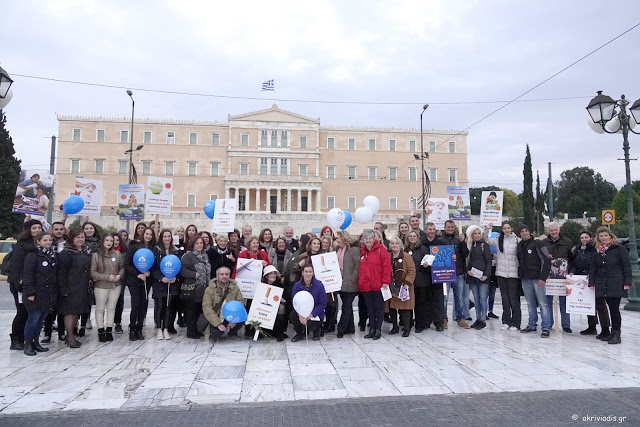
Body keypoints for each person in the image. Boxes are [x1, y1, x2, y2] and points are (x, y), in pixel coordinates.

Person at [589, 227, 631, 344]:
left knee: (614, 309)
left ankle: (616, 333)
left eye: (605, 235)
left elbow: (626, 266)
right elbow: (593, 268)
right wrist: (591, 282)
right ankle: (610, 333)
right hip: (602, 283)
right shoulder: (598, 251)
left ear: (610, 236)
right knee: (604, 308)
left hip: (615, 282)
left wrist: (627, 282)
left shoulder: (619, 249)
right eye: (601, 236)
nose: (604, 238)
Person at [7, 219, 42, 351]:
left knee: (31, 313)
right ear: (28, 230)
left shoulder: (40, 243)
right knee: (22, 312)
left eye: (39, 227)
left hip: (34, 284)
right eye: (34, 228)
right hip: (21, 285)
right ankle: (16, 339)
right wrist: (20, 286)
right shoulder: (21, 245)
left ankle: (27, 338)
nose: (37, 230)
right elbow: (17, 268)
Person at [22, 232, 56, 355]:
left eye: (49, 240)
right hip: (35, 293)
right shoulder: (33, 255)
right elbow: (28, 275)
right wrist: (30, 292)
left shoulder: (51, 255)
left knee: (40, 320)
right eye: (45, 240)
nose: (48, 242)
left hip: (47, 294)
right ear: (38, 241)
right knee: (33, 319)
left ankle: (36, 342)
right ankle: (28, 344)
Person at [57, 229, 92, 348]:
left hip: (82, 287)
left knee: (76, 312)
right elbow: (61, 273)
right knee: (70, 312)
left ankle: (72, 335)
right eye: (77, 237)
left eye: (82, 237)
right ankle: (70, 337)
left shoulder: (85, 251)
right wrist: (64, 289)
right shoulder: (66, 253)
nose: (80, 240)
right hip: (70, 288)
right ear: (72, 239)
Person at [484, 223, 521, 331]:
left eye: (508, 228)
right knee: (505, 299)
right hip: (501, 273)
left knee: (514, 299)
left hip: (514, 274)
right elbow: (485, 239)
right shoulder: (498, 239)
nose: (506, 230)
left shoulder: (517, 240)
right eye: (504, 228)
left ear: (512, 229)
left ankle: (516, 322)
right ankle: (506, 321)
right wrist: (487, 229)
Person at [572, 231, 609, 336]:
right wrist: (573, 272)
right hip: (582, 278)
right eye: (582, 237)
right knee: (587, 304)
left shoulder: (595, 249)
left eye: (586, 237)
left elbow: (597, 264)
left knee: (600, 304)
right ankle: (592, 326)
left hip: (595, 278)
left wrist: (592, 274)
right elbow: (574, 263)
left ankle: (605, 328)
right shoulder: (577, 249)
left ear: (591, 238)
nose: (584, 239)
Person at [517, 225, 552, 338]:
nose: (524, 233)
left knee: (543, 304)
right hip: (525, 278)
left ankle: (546, 327)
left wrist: (543, 277)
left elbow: (546, 260)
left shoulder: (538, 244)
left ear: (530, 232)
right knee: (530, 303)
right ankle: (532, 325)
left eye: (526, 230)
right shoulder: (520, 245)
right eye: (522, 231)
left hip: (537, 278)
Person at [358, 229, 392, 340]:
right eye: (366, 238)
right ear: (363, 240)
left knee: (379, 308)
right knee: (370, 309)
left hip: (378, 285)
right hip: (366, 285)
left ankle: (378, 329)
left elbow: (386, 267)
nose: (368, 240)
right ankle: (372, 328)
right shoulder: (362, 251)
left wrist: (385, 282)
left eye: (370, 238)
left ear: (374, 239)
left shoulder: (381, 250)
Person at [90, 233, 124, 343]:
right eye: (107, 240)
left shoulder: (117, 254)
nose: (109, 243)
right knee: (100, 308)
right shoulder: (96, 255)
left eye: (111, 241)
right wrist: (107, 277)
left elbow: (122, 267)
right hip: (101, 286)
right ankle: (100, 330)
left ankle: (109, 329)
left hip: (115, 285)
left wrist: (119, 275)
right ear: (102, 241)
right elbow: (93, 273)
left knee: (111, 308)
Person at [124, 227, 156, 341]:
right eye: (146, 234)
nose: (148, 236)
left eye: (150, 235)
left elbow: (154, 265)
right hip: (134, 281)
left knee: (144, 305)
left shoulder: (153, 248)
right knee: (135, 304)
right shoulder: (134, 247)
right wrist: (138, 273)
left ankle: (139, 328)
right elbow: (127, 264)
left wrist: (149, 272)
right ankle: (132, 328)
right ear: (143, 234)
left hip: (147, 281)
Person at [542, 222, 574, 333]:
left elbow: (572, 258)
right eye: (551, 231)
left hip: (563, 276)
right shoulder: (544, 243)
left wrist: (571, 271)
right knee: (548, 301)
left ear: (559, 230)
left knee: (564, 300)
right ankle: (549, 323)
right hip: (548, 276)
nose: (554, 232)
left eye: (555, 230)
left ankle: (566, 324)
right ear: (548, 231)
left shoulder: (567, 242)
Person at [234, 236, 270, 335]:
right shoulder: (242, 254)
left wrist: (266, 264)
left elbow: (269, 268)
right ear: (249, 244)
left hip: (259, 285)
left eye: (257, 243)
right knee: (247, 307)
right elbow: (237, 269)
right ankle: (248, 330)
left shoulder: (263, 254)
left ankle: (256, 330)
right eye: (253, 243)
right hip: (246, 287)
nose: (255, 245)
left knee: (256, 307)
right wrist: (234, 281)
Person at [202, 266, 246, 342]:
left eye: (226, 274)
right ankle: (214, 332)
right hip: (217, 316)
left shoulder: (235, 288)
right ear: (217, 276)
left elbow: (241, 302)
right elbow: (207, 308)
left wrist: (233, 318)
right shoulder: (209, 290)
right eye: (222, 274)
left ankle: (232, 333)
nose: (224, 276)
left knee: (243, 318)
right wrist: (218, 324)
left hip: (230, 316)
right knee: (216, 335)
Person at [180, 236, 211, 339]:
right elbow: (181, 269)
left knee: (198, 311)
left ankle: (196, 330)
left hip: (203, 289)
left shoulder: (205, 255)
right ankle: (191, 332)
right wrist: (193, 274)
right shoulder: (188, 256)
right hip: (192, 289)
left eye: (201, 243)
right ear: (193, 245)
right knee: (191, 311)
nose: (199, 245)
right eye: (197, 243)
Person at [441, 220, 470, 329]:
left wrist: (463, 243)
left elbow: (466, 254)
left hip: (458, 273)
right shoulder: (440, 240)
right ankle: (444, 319)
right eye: (448, 227)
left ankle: (460, 318)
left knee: (459, 298)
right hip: (444, 274)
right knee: (444, 298)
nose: (450, 229)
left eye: (452, 227)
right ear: (445, 227)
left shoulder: (459, 240)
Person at [152, 229, 181, 340]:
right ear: (161, 238)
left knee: (169, 307)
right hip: (160, 283)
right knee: (160, 306)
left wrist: (176, 277)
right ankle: (159, 329)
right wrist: (161, 278)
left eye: (169, 236)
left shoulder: (176, 251)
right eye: (165, 236)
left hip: (172, 283)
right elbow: (153, 268)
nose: (167, 239)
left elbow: (179, 267)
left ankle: (166, 329)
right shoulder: (156, 250)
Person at [465, 225, 493, 330]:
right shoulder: (469, 246)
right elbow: (467, 261)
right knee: (476, 298)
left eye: (478, 233)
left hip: (483, 277)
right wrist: (467, 271)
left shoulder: (484, 246)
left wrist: (486, 275)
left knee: (482, 298)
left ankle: (483, 319)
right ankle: (478, 318)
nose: (477, 235)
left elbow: (488, 261)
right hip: (472, 276)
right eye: (475, 233)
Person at [388, 236, 416, 337]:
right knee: (391, 308)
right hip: (391, 286)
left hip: (404, 286)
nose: (394, 245)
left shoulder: (406, 256)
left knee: (404, 308)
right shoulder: (388, 256)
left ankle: (407, 329)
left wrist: (407, 283)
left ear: (400, 245)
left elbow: (412, 270)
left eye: (396, 243)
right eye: (392, 243)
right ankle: (395, 327)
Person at [290, 264, 327, 342]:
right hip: (302, 311)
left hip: (315, 312)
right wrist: (299, 314)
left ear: (313, 273)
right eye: (306, 271)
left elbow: (323, 303)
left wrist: (312, 314)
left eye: (310, 272)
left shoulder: (319, 285)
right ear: (302, 273)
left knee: (312, 323)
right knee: (292, 315)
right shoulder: (297, 285)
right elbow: (294, 301)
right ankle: (300, 333)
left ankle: (316, 331)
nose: (308, 274)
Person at [421, 223, 447, 332]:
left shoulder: (441, 243)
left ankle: (438, 322)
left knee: (438, 300)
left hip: (438, 275)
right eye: (430, 229)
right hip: (424, 275)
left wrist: (452, 257)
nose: (432, 231)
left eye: (433, 229)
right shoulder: (421, 242)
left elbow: (446, 256)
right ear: (426, 230)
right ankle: (426, 321)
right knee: (425, 300)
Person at [335, 230, 360, 338]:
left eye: (338, 238)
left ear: (344, 238)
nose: (336, 240)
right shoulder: (338, 249)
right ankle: (350, 328)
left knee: (346, 306)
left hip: (350, 283)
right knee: (347, 304)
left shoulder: (353, 250)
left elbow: (358, 265)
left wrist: (352, 279)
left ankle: (341, 329)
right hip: (341, 282)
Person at [261, 265, 289, 341]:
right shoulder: (261, 286)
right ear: (266, 276)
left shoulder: (281, 286)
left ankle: (280, 332)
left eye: (274, 273)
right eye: (270, 273)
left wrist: (283, 300)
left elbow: (288, 299)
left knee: (281, 307)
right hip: (265, 310)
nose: (273, 275)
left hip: (277, 310)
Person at [113, 229, 130, 334]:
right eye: (113, 240)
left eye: (117, 240)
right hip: (107, 279)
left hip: (120, 279)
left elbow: (125, 265)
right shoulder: (104, 251)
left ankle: (117, 323)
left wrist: (119, 275)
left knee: (119, 301)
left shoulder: (124, 251)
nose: (115, 242)